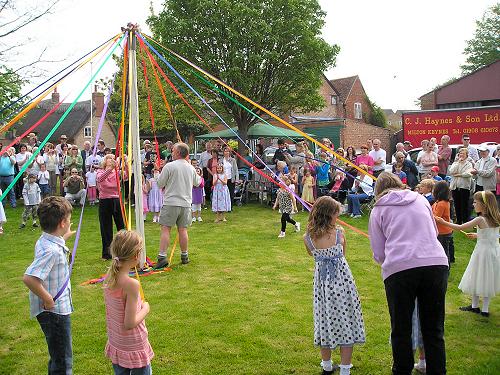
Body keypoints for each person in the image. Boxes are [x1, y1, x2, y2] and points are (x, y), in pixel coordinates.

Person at [368, 172, 449, 375]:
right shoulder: (421, 200)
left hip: (400, 269)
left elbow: (378, 252)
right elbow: (434, 231)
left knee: (401, 328)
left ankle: (402, 370)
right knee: (434, 328)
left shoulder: (378, 210)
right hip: (435, 264)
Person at [304, 196, 365, 375]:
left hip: (322, 287)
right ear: (330, 215)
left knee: (325, 320)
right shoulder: (340, 234)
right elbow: (343, 254)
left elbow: (312, 255)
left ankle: (327, 365)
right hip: (343, 283)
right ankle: (345, 369)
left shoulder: (308, 238)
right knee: (346, 320)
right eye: (336, 215)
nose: (337, 218)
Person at [23, 196, 75, 374]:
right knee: (63, 360)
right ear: (62, 223)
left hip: (55, 311)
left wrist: (64, 237)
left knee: (58, 355)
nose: (69, 223)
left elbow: (52, 246)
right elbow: (29, 278)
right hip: (54, 312)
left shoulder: (46, 240)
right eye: (68, 220)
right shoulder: (51, 251)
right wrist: (48, 298)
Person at [436, 191, 500, 317]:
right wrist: (478, 235)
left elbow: (460, 227)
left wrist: (443, 222)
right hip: (493, 252)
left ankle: (476, 306)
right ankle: (483, 309)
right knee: (487, 277)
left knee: (477, 275)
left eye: (476, 202)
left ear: (484, 205)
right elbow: (495, 234)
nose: (473, 204)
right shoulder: (497, 216)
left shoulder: (480, 219)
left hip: (482, 253)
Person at [103, 230, 154, 374]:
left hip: (117, 342)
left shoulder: (110, 278)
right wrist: (146, 308)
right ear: (136, 255)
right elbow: (129, 323)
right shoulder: (131, 285)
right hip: (133, 345)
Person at [156, 142, 201, 268]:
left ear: (177, 153)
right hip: (186, 204)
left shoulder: (169, 166)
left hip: (171, 202)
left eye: (173, 151)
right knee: (183, 230)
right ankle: (184, 255)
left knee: (165, 229)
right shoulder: (191, 168)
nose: (171, 153)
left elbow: (160, 184)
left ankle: (162, 256)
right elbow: (198, 182)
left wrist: (157, 172)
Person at [97, 154, 126, 260]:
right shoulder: (100, 171)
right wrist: (110, 170)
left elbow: (125, 177)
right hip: (104, 201)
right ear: (105, 161)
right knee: (106, 228)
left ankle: (123, 250)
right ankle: (107, 253)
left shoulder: (117, 172)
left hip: (116, 200)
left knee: (121, 226)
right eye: (109, 158)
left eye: (113, 158)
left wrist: (125, 164)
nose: (111, 160)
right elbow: (100, 179)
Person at [449, 148, 474, 224]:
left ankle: (465, 221)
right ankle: (459, 221)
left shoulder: (469, 164)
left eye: (463, 153)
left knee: (464, 204)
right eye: (460, 153)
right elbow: (451, 171)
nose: (461, 155)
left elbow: (468, 174)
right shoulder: (455, 163)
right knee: (457, 204)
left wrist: (459, 175)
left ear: (466, 155)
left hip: (464, 186)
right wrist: (458, 162)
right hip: (455, 186)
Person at [432, 181, 453, 264]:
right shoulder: (439, 202)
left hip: (443, 231)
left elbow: (436, 217)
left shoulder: (442, 204)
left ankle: (445, 266)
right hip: (442, 231)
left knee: (444, 251)